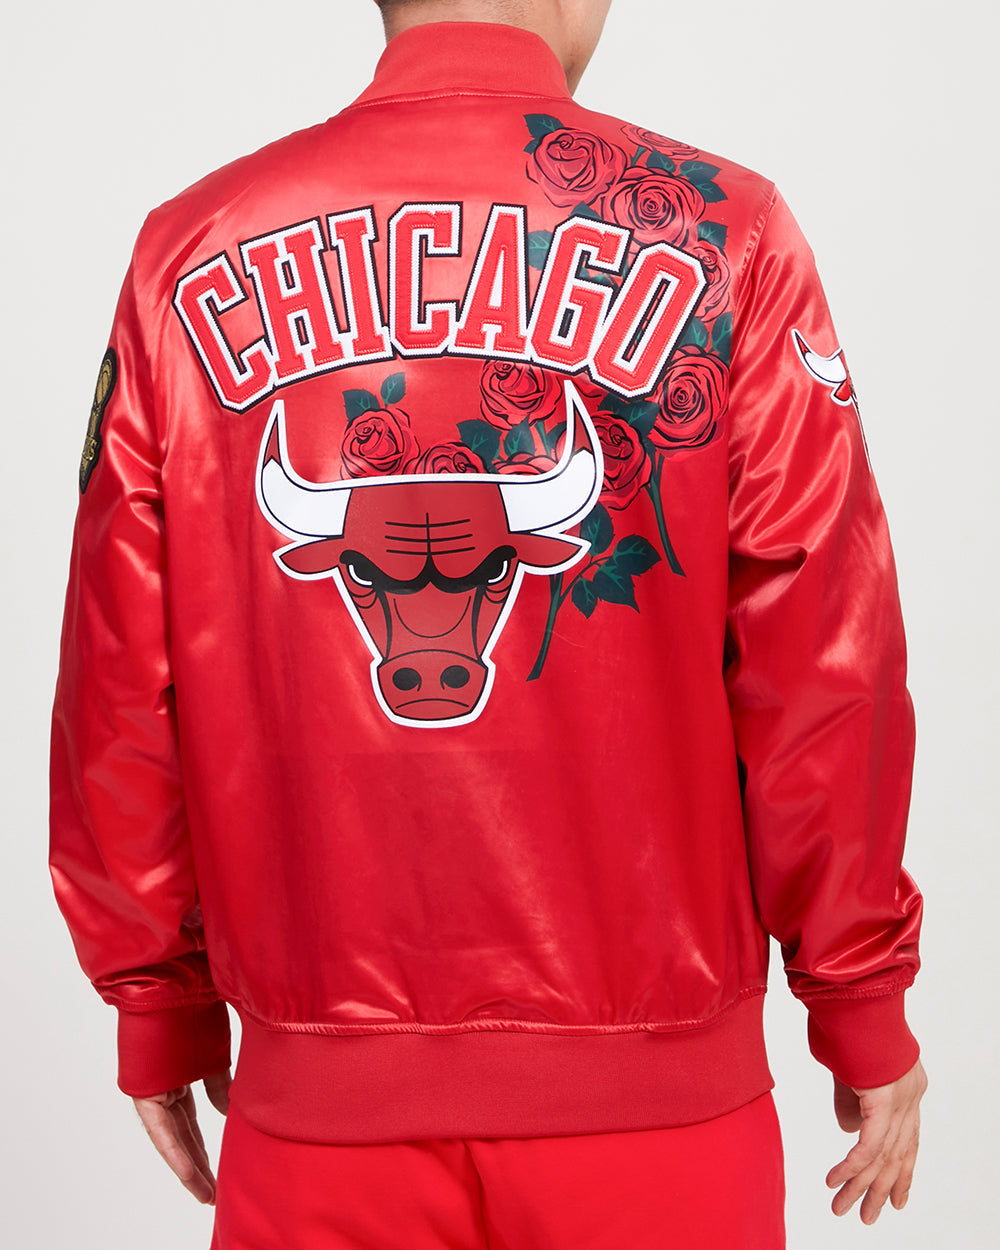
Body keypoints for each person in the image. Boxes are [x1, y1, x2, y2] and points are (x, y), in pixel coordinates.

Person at [48, 0, 927, 1245]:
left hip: (318, 1129)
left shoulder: (189, 252)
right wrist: (858, 995)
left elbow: (114, 678)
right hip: (659, 1129)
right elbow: (824, 654)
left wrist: (160, 1000)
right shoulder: (726, 231)